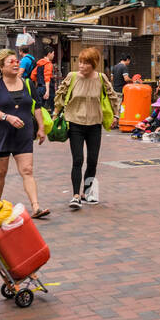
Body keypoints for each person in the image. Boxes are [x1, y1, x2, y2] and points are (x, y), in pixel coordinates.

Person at [0, 48, 49, 218]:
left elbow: (37, 107)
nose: (15, 64)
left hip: (24, 134)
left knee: (27, 170)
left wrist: (41, 128)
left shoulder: (27, 83)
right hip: (2, 134)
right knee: (0, 172)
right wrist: (7, 117)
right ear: (1, 66)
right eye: (10, 62)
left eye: (16, 61)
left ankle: (36, 207)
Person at [53, 46, 121, 210]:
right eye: (80, 62)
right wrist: (55, 113)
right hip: (75, 123)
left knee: (92, 161)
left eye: (85, 63)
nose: (81, 66)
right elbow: (61, 96)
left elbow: (112, 96)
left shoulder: (101, 78)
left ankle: (87, 192)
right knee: (77, 160)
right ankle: (76, 195)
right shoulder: (72, 77)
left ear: (94, 64)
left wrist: (116, 115)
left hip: (95, 124)